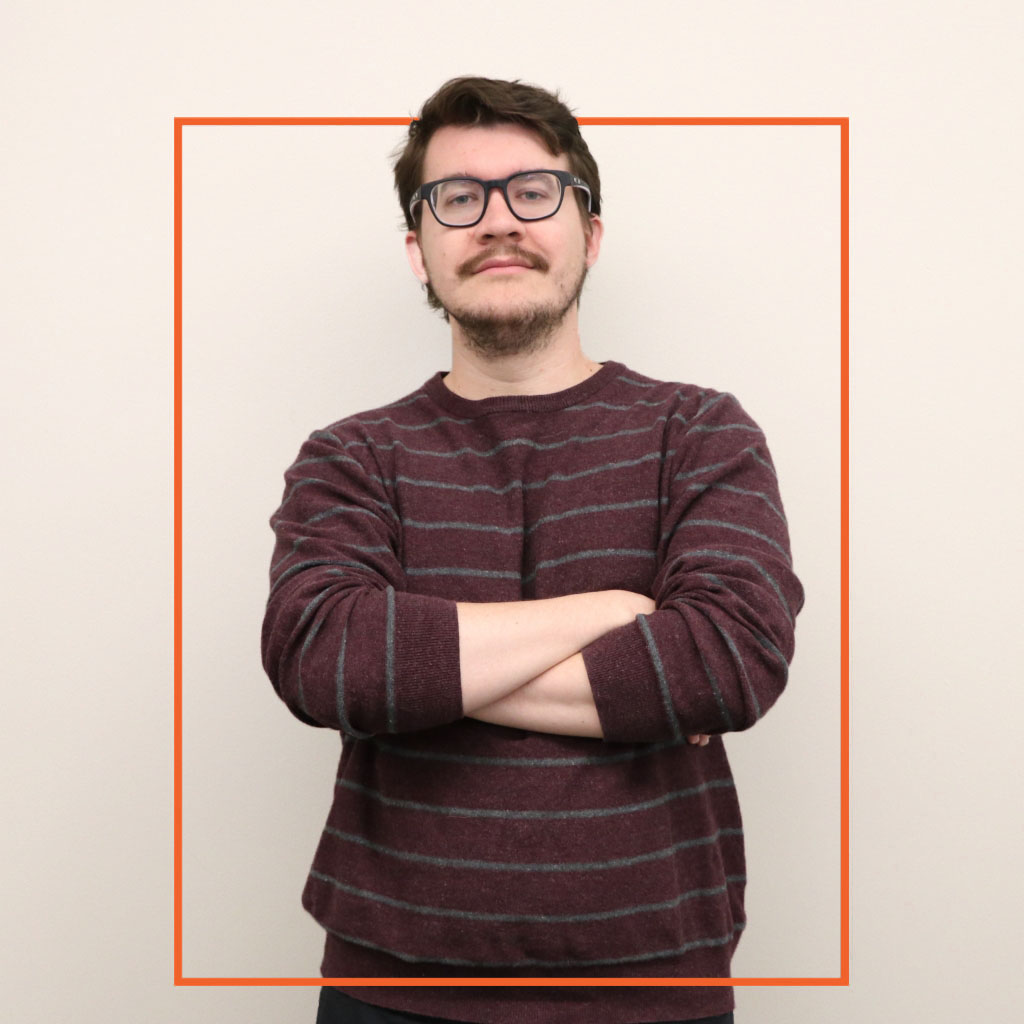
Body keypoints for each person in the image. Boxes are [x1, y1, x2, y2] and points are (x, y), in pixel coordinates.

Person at [261, 76, 804, 1024]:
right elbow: (325, 659)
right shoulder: (351, 455)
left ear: (589, 233)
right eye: (457, 198)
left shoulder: (700, 432)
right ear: (418, 250)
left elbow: (729, 660)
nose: (498, 220)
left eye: (533, 191)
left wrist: (421, 676)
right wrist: (614, 614)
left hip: (654, 985)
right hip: (391, 984)